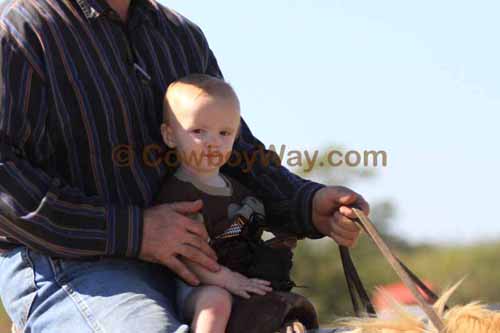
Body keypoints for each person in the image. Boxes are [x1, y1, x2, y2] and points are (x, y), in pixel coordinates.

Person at [0, 0, 369, 332]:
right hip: (70, 263)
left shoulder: (180, 35)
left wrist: (307, 203)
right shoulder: (23, 28)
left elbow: (236, 152)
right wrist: (136, 231)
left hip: (201, 263)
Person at [155, 74, 305, 333]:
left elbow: (246, 231)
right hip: (191, 285)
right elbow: (188, 255)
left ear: (236, 136)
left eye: (224, 132)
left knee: (278, 302)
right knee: (216, 302)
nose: (213, 142)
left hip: (239, 279)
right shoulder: (179, 194)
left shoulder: (240, 191)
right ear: (170, 135)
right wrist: (227, 280)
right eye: (198, 131)